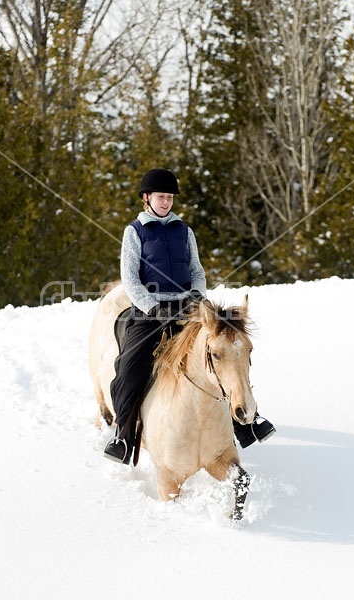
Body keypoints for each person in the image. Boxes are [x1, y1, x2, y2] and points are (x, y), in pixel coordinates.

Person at [104, 168, 275, 464]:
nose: (166, 202)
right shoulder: (135, 231)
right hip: (151, 312)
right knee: (129, 365)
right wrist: (151, 306)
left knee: (224, 352)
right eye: (161, 197)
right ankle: (123, 433)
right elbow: (129, 278)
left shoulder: (184, 231)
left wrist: (196, 297)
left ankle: (248, 421)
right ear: (146, 198)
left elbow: (196, 271)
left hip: (188, 308)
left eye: (169, 197)